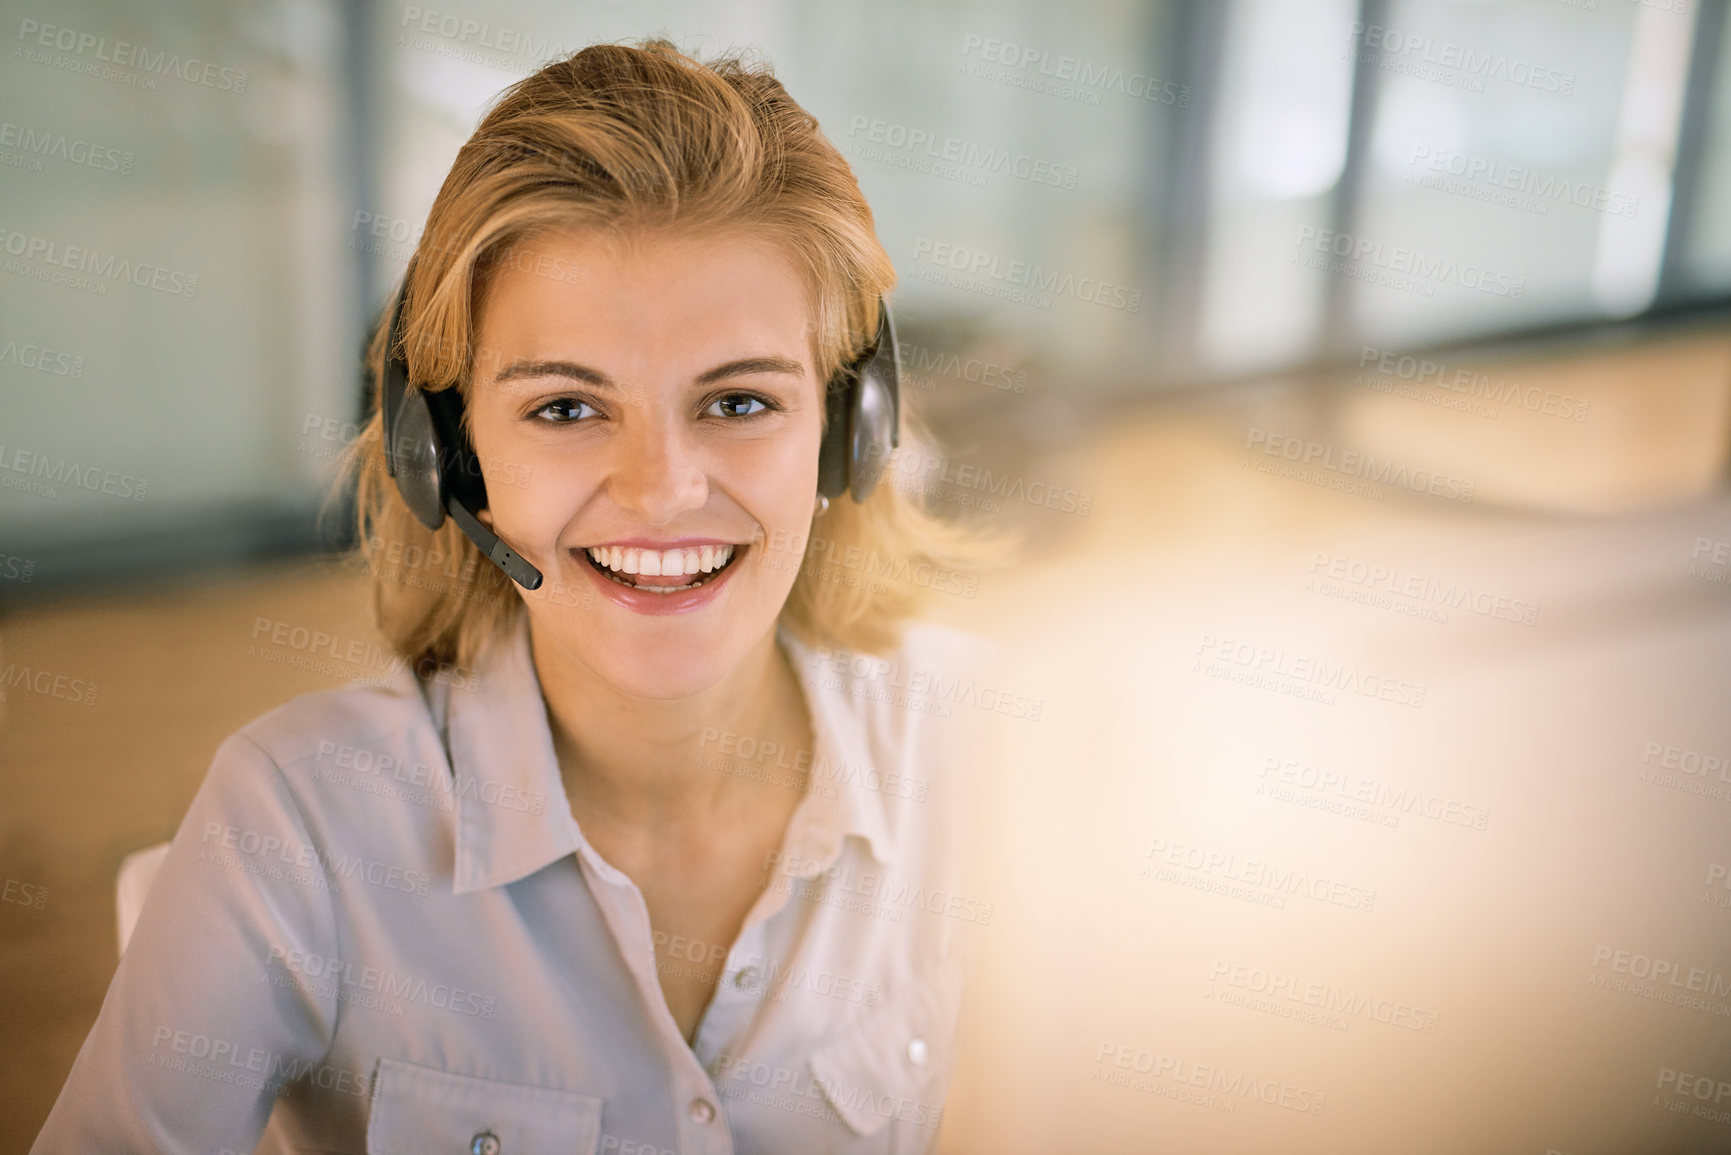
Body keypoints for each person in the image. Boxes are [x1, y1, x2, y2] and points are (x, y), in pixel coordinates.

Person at [31, 35, 1012, 1155]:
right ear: (446, 459)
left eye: (739, 403)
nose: (661, 493)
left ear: (850, 436)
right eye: (564, 409)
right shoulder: (297, 827)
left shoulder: (976, 746)